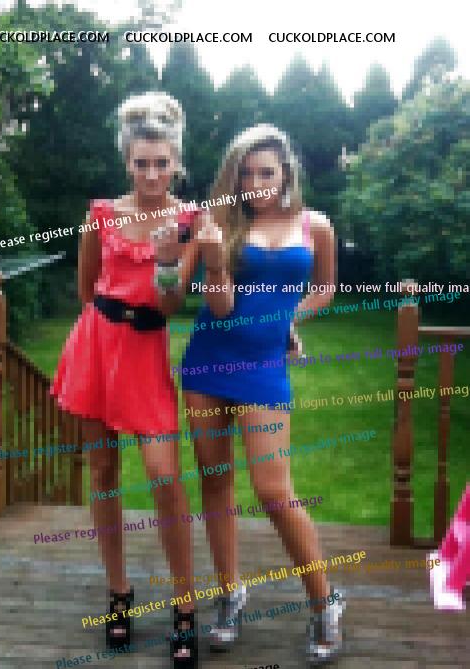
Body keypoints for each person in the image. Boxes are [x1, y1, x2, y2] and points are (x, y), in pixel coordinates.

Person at [180, 124, 344, 664]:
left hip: (264, 367)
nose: (255, 185)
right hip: (209, 363)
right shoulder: (221, 222)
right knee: (215, 483)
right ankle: (230, 594)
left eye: (266, 173)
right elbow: (221, 306)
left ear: (286, 172)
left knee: (274, 490)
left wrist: (290, 318)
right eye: (245, 174)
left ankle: (324, 602)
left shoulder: (315, 226)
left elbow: (324, 289)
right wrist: (215, 261)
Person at [50, 92, 200, 667]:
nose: (152, 174)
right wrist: (101, 331)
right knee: (103, 471)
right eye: (142, 163)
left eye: (162, 163)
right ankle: (119, 594)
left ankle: (185, 605)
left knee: (165, 476)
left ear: (176, 162)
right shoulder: (101, 216)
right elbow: (86, 289)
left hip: (145, 351)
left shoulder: (188, 222)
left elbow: (171, 305)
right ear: (127, 162)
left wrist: (164, 262)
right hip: (96, 348)